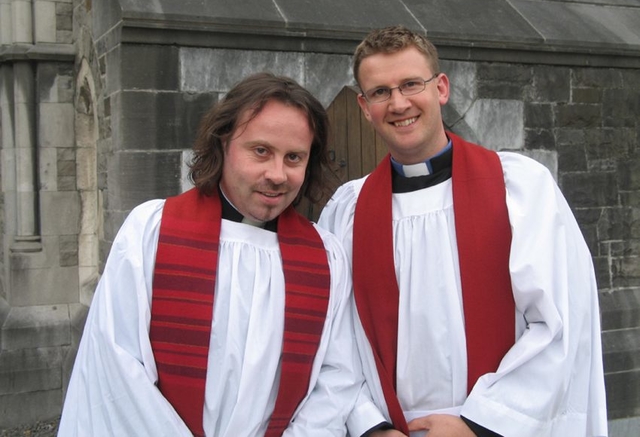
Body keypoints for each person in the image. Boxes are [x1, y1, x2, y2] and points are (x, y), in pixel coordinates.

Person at [58, 73, 396, 437]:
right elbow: (116, 368)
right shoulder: (150, 232)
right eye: (261, 151)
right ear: (224, 143)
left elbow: (338, 374)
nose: (277, 174)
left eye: (294, 157)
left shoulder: (325, 257)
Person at [318, 26, 608, 437]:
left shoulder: (519, 189)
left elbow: (561, 322)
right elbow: (335, 335)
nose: (398, 103)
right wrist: (371, 425)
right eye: (381, 92)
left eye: (410, 85)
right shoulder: (347, 211)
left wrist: (479, 423)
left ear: (440, 88)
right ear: (365, 107)